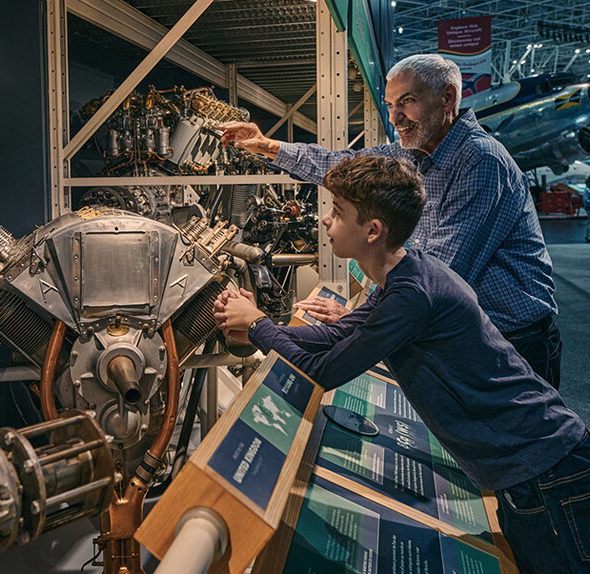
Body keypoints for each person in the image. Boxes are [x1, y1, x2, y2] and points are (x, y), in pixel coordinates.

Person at [214, 155, 590, 574]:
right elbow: (335, 336)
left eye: (338, 212)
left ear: (373, 231)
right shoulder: (404, 275)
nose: (325, 221)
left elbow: (320, 371)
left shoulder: (410, 296)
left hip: (546, 472)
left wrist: (259, 324)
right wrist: (257, 325)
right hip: (534, 466)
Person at [219, 54, 563, 390]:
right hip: (459, 331)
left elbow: (437, 277)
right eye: (390, 104)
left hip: (514, 340)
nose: (396, 116)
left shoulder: (481, 161)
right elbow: (341, 164)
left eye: (407, 101)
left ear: (448, 98)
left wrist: (371, 322)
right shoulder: (412, 153)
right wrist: (266, 146)